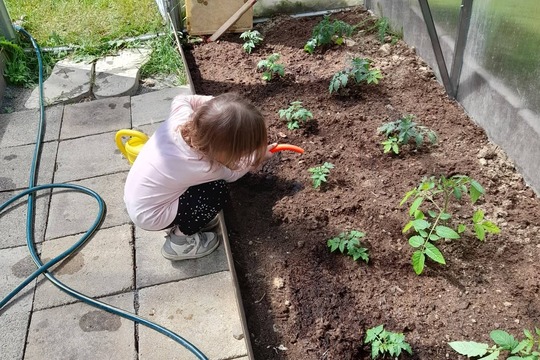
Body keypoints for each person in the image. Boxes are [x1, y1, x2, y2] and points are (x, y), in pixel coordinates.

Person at [124, 93, 275, 261]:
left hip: (137, 197)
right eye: (240, 152)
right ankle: (179, 242)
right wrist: (254, 158)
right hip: (152, 215)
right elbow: (233, 174)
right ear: (224, 150)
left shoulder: (181, 119)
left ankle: (188, 216)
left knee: (205, 190)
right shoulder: (205, 166)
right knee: (217, 192)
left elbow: (181, 98)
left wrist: (216, 104)